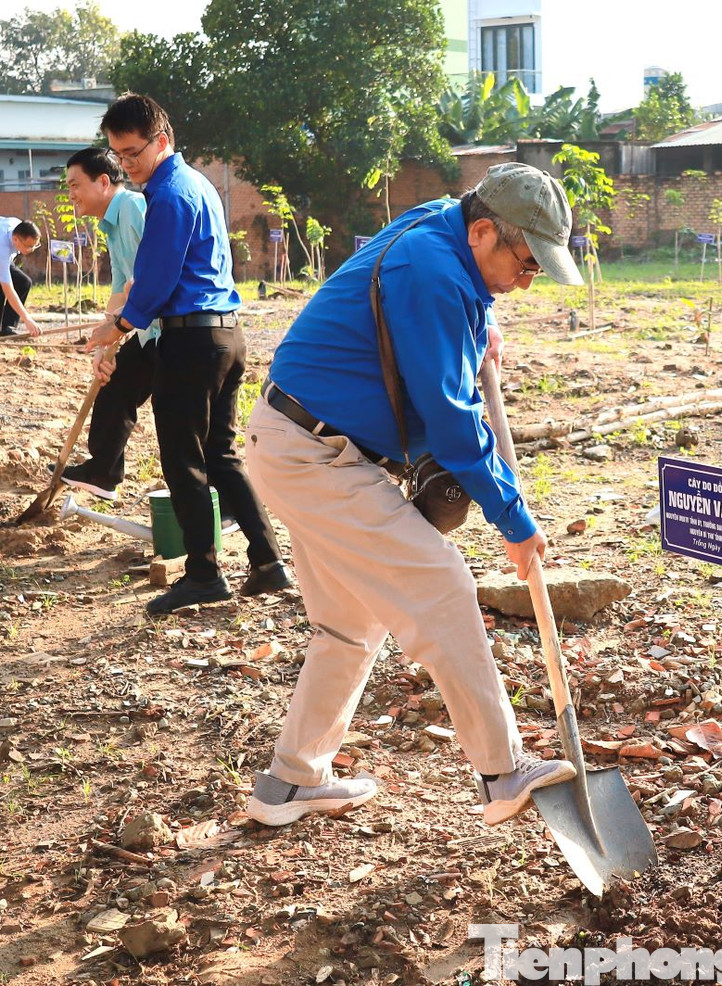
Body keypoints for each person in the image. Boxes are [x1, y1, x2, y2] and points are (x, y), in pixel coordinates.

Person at [242, 163, 583, 828]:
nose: (527, 279)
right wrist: (512, 517)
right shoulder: (431, 270)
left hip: (297, 443)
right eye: (525, 262)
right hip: (317, 455)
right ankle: (502, 772)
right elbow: (453, 420)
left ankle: (290, 783)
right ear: (482, 230)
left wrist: (478, 321)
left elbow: (442, 321)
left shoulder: (440, 229)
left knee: (350, 624)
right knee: (443, 587)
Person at [85, 93, 291, 615]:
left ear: (163, 140)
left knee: (184, 460)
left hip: (191, 341)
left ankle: (203, 573)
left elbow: (156, 279)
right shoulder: (196, 183)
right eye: (118, 156)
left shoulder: (170, 193)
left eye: (132, 154)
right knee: (220, 455)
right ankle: (268, 563)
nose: (126, 166)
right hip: (225, 336)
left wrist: (120, 325)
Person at [59, 146, 155, 502]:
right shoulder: (111, 222)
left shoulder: (131, 207)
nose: (70, 195)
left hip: (172, 332)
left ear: (103, 182)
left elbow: (152, 273)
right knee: (114, 386)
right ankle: (103, 473)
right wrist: (104, 348)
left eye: (74, 185)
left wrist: (119, 325)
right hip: (146, 329)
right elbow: (120, 286)